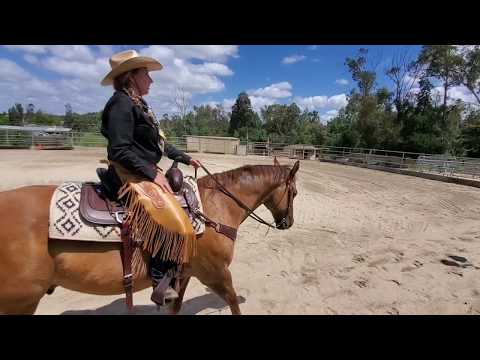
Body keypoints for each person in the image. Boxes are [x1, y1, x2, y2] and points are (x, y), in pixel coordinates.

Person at [100, 49, 201, 305]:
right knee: (169, 216)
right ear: (131, 77)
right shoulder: (120, 104)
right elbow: (118, 150)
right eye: (146, 73)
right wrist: (152, 175)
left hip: (143, 169)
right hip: (128, 174)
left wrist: (187, 158)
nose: (151, 79)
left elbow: (160, 143)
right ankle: (159, 277)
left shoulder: (140, 104)